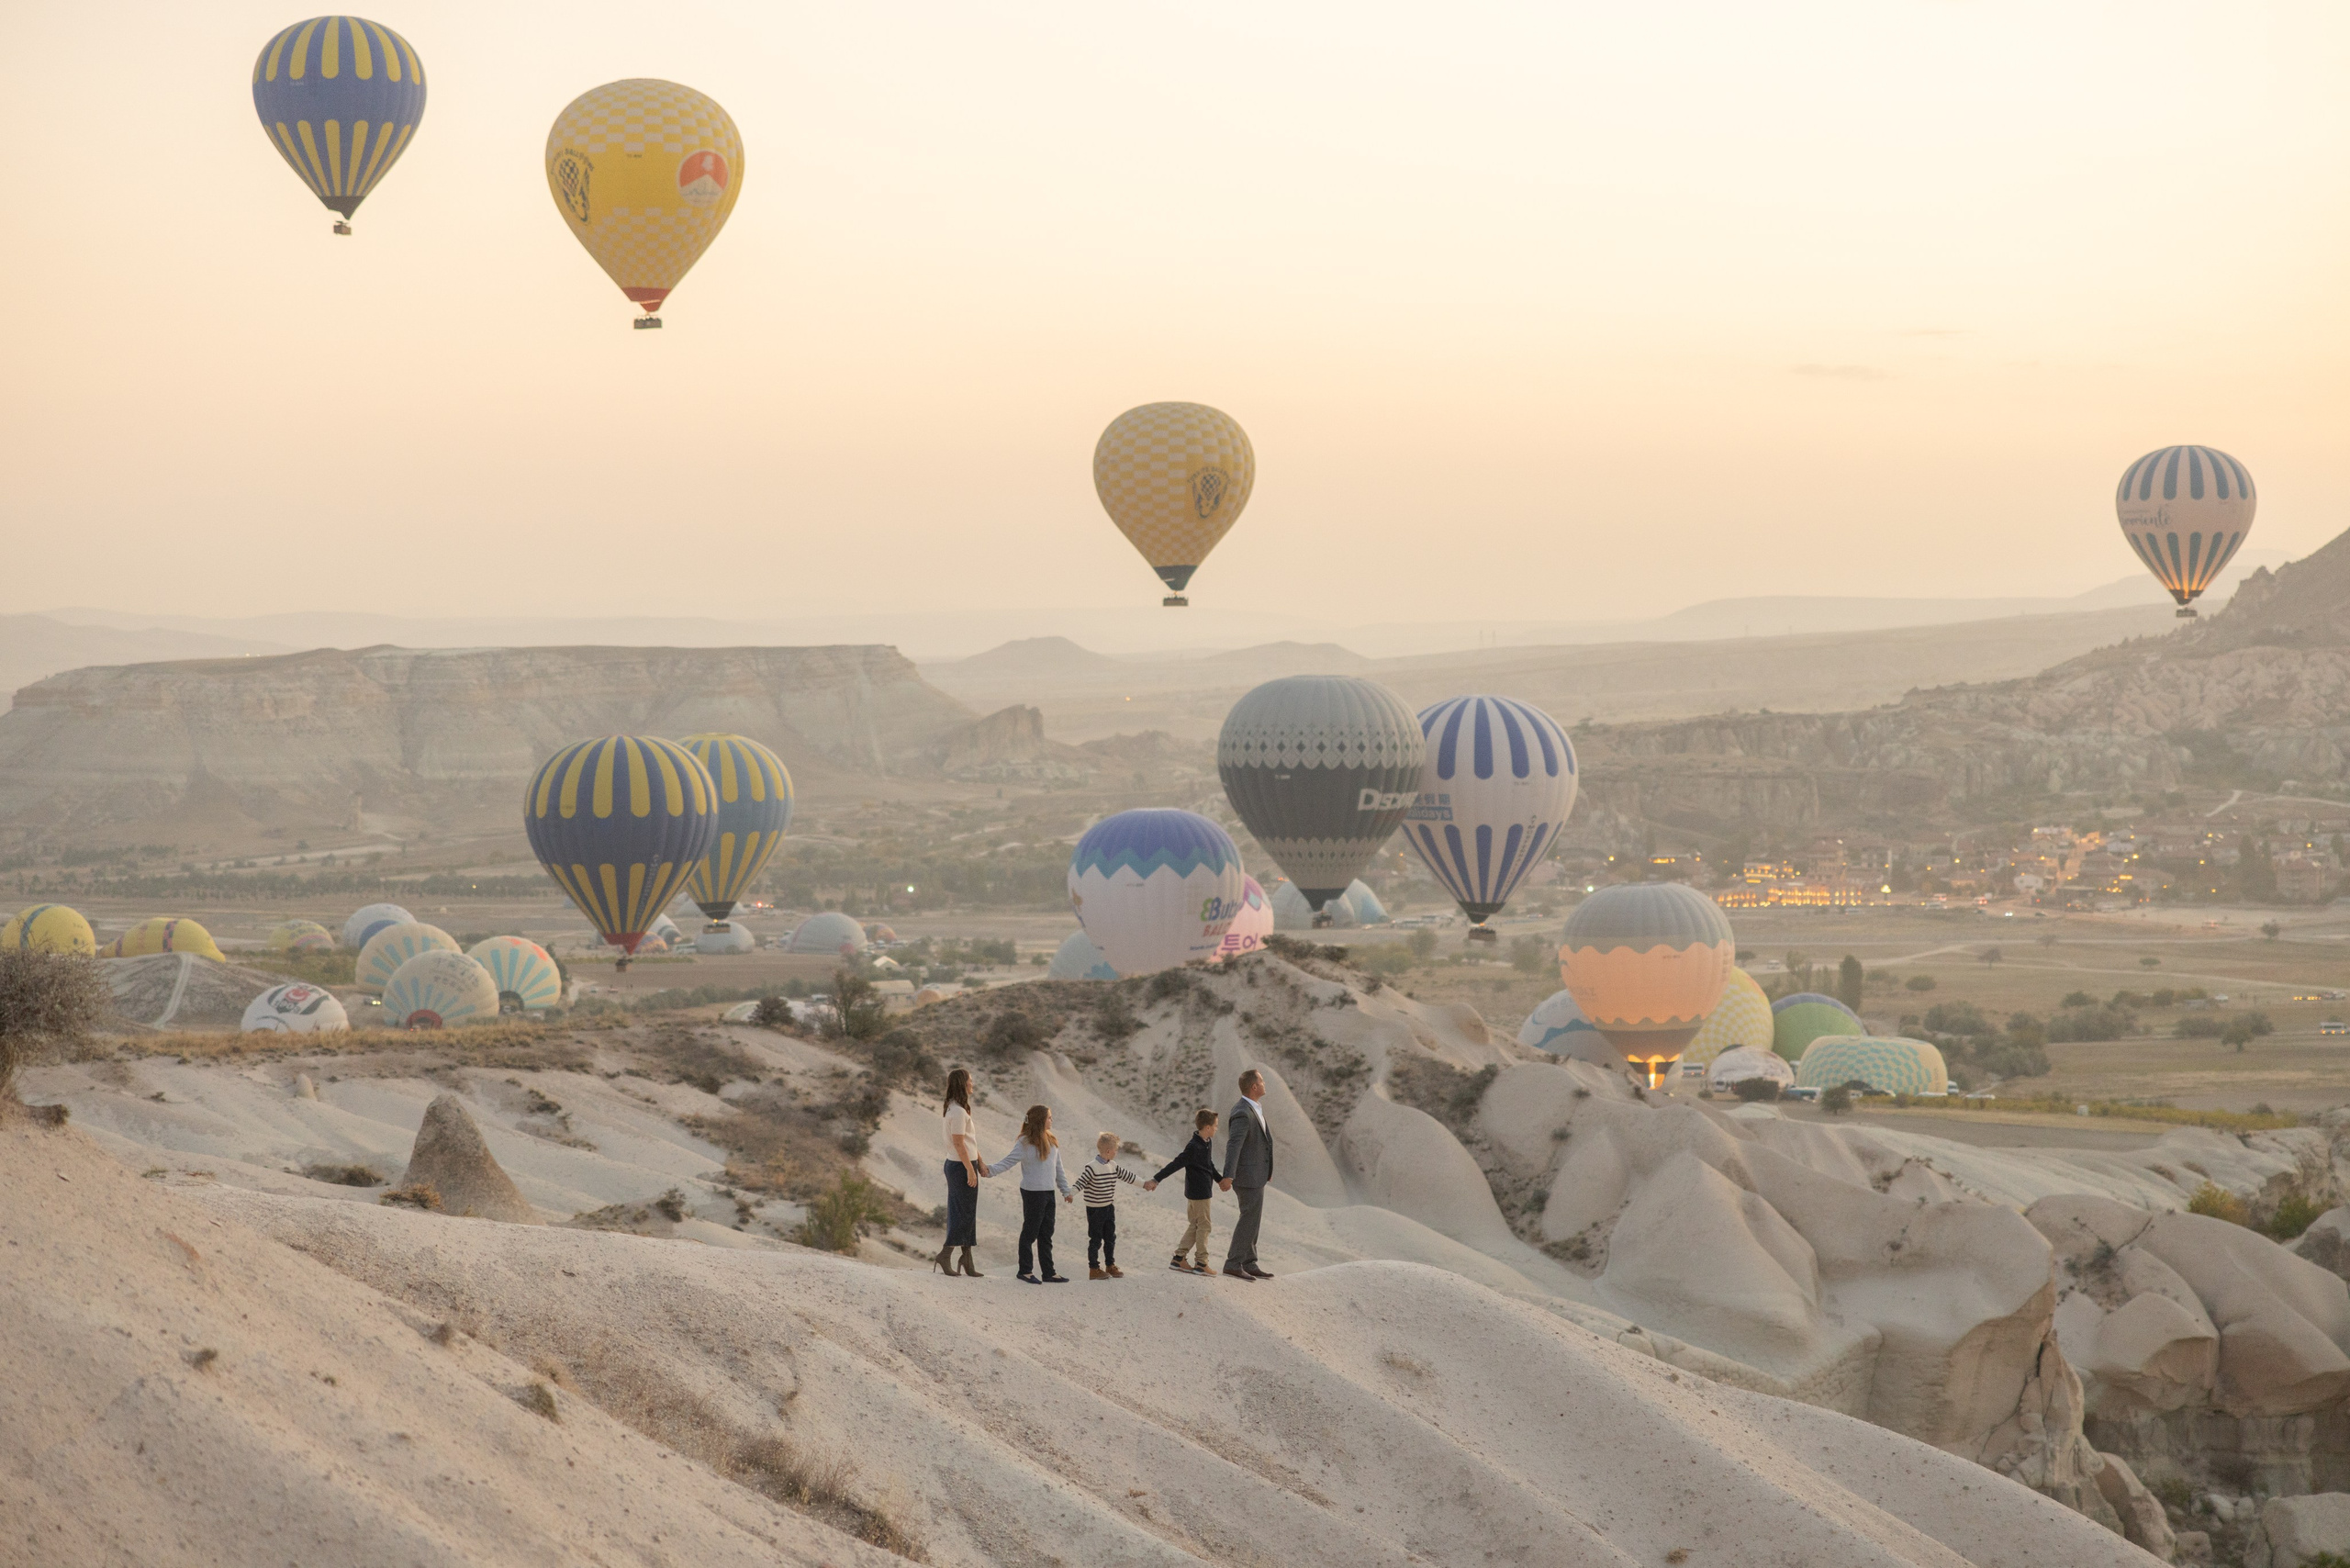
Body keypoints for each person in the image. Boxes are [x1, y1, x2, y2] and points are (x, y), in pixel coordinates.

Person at [987, 1103, 1074, 1282]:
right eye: (1049, 1117)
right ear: (1040, 1120)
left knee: (1046, 1233)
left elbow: (1059, 1169)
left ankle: (1048, 1272)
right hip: (1032, 1193)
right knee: (1030, 1232)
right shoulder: (1024, 1142)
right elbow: (1007, 1162)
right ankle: (1025, 1271)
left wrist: (1066, 1190)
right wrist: (988, 1170)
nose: (1052, 1120)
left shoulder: (1052, 1140)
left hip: (1049, 1193)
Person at [1145, 1108, 1221, 1273]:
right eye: (1215, 1126)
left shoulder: (1206, 1143)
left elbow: (1209, 1164)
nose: (1216, 1129)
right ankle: (1201, 1263)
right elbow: (1176, 1163)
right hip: (1199, 1193)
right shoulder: (1194, 1146)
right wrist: (1156, 1179)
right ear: (1207, 1127)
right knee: (1204, 1226)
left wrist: (1219, 1179)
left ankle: (1178, 1259)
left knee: (1195, 1224)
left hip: (1199, 1191)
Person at [1219, 1069, 1275, 1281]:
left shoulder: (1255, 1108)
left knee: (1254, 1218)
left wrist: (1267, 1170)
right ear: (1254, 1086)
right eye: (1261, 1081)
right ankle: (1233, 1263)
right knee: (1248, 1218)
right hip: (1246, 1176)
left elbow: (1262, 1143)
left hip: (1256, 1174)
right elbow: (1234, 1145)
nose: (1264, 1083)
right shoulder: (1242, 1111)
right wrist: (1228, 1175)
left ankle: (1249, 1262)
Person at [936, 1068, 982, 1277]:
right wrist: (970, 1169)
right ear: (962, 1084)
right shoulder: (956, 1111)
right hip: (960, 1167)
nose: (972, 1084)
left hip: (965, 1164)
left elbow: (969, 1142)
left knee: (967, 1213)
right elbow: (958, 1143)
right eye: (970, 1081)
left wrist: (979, 1162)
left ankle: (967, 1259)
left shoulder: (960, 1109)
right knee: (960, 1213)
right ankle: (945, 1255)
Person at [1074, 1132, 1139, 1279]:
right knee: (1095, 1239)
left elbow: (1128, 1176)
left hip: (1109, 1207)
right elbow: (1080, 1182)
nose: (1116, 1152)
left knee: (1110, 1237)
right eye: (1115, 1149)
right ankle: (1094, 1269)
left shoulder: (1113, 1166)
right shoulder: (1092, 1167)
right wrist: (1070, 1193)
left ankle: (1110, 1265)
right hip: (1095, 1209)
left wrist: (1145, 1184)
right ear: (1108, 1151)